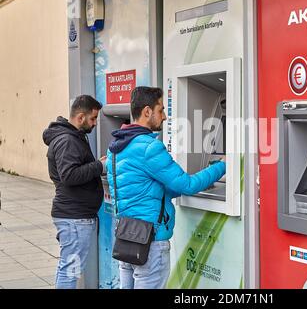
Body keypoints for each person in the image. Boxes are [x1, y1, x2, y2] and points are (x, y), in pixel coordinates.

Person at [106, 86, 225, 289]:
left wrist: (175, 185)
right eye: (161, 110)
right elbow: (187, 185)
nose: (165, 117)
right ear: (147, 111)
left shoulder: (116, 148)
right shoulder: (149, 147)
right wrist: (223, 165)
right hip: (150, 244)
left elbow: (145, 189)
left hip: (127, 238)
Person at [43, 95, 106, 289]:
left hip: (74, 216)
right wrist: (99, 166)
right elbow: (69, 175)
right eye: (93, 118)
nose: (95, 123)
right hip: (75, 217)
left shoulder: (71, 137)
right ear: (80, 117)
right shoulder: (67, 141)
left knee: (68, 269)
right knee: (70, 271)